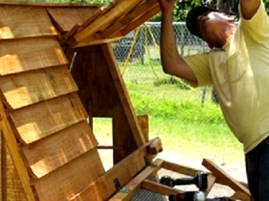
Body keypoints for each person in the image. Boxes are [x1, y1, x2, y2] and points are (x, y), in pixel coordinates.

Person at [157, 0, 269, 200]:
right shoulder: (211, 60)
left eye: (205, 15)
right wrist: (167, 12)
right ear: (207, 42)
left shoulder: (252, 31)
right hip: (253, 150)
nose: (200, 20)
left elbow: (249, 4)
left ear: (229, 17)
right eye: (198, 27)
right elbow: (171, 65)